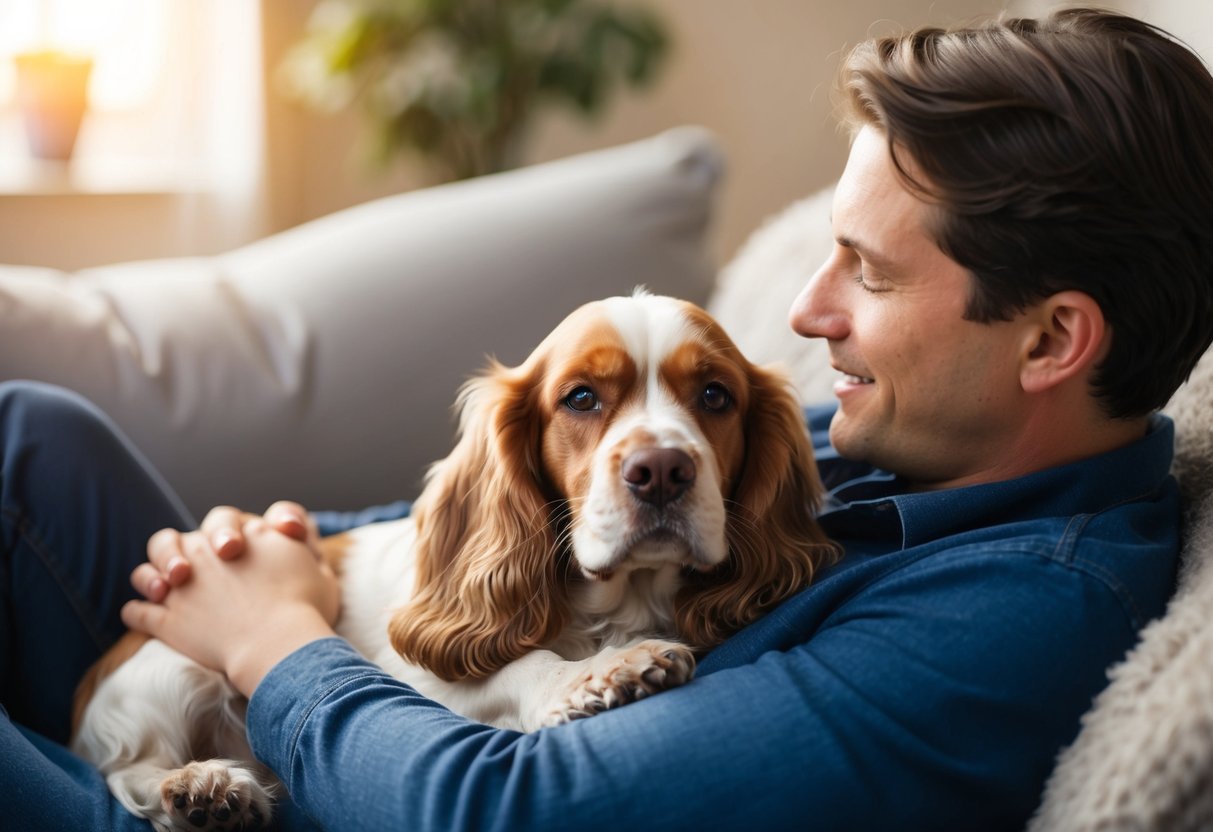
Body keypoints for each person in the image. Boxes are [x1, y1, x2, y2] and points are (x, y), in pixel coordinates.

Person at [5, 6, 1213, 830]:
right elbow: (500, 504)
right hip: (298, 694)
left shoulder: (1002, 625)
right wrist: (261, 558)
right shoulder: (908, 429)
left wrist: (271, 643)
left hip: (325, 791)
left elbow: (509, 810)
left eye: (869, 273)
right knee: (31, 442)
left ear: (1051, 339)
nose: (806, 306)